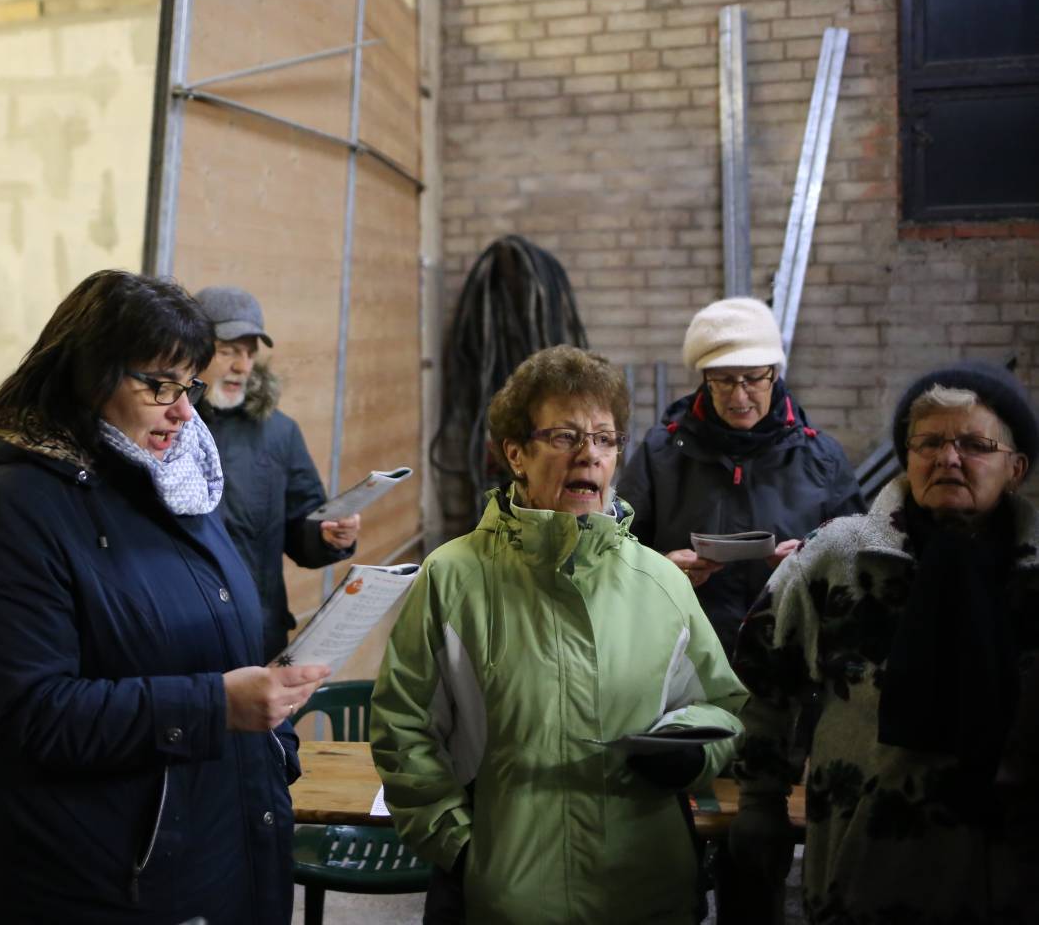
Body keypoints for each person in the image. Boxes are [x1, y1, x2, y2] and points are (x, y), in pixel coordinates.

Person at [0, 269, 330, 924]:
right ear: (87, 378)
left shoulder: (178, 484)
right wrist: (217, 707)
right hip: (103, 881)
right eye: (159, 385)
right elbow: (33, 714)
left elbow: (215, 637)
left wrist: (270, 736)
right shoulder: (13, 510)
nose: (184, 410)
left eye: (188, 385)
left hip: (213, 838)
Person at [370, 345, 747, 923]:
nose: (589, 456)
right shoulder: (453, 576)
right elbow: (402, 730)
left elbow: (722, 705)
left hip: (647, 893)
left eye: (604, 438)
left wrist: (688, 753)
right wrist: (465, 850)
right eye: (565, 437)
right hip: (507, 898)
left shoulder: (661, 582)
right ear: (516, 454)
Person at [730, 361, 1039, 923]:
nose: (948, 458)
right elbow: (761, 680)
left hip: (1011, 872)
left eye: (975, 443)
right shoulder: (841, 556)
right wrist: (759, 804)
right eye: (929, 443)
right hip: (862, 868)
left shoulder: (1033, 576)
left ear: (1015, 468)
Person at [618, 296, 864, 655]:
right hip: (684, 655)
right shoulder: (663, 453)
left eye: (753, 379)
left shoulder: (821, 458)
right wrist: (662, 570)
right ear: (705, 379)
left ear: (775, 374)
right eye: (723, 380)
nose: (739, 395)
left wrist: (814, 562)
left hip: (790, 656)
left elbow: (861, 563)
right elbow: (616, 552)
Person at [193, 284, 360, 662]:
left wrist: (331, 536)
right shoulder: (166, 426)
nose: (242, 366)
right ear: (193, 349)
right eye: (228, 351)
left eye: (250, 354)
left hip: (258, 636)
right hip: (181, 636)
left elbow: (304, 524)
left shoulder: (280, 432)